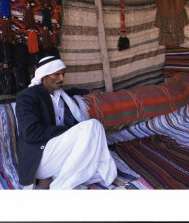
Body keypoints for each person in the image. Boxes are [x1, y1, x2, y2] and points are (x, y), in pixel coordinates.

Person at [15, 55, 117, 189]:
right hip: (40, 158)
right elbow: (30, 133)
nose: (61, 79)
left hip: (57, 153)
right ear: (44, 75)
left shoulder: (60, 94)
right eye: (56, 74)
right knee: (93, 126)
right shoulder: (27, 96)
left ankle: (55, 177)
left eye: (63, 74)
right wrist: (66, 131)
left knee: (96, 166)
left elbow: (72, 91)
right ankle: (61, 185)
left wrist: (89, 92)